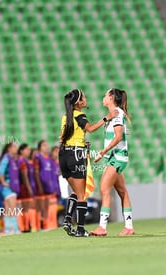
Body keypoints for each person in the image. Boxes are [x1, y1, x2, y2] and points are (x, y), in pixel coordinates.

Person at [59, 89, 117, 237]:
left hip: (63, 155)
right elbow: (90, 129)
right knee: (82, 195)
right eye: (83, 97)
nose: (85, 99)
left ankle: (66, 220)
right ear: (78, 103)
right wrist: (106, 118)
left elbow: (63, 137)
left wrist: (81, 143)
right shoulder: (79, 116)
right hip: (76, 155)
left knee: (75, 192)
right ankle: (80, 229)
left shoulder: (65, 117)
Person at [91, 88, 134, 236]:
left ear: (110, 97)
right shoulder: (115, 114)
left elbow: (118, 137)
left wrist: (103, 152)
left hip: (117, 157)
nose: (103, 97)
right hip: (117, 157)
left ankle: (102, 227)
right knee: (122, 192)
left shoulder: (116, 113)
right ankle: (129, 226)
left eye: (105, 95)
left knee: (104, 189)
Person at [0, 142, 20, 234]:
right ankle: (15, 229)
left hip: (13, 187)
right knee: (12, 208)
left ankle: (7, 229)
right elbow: (1, 170)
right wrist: (3, 182)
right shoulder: (6, 158)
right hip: (8, 187)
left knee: (8, 209)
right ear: (9, 149)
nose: (16, 148)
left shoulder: (12, 159)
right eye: (14, 147)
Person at [33, 140, 54, 229]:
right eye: (44, 145)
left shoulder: (49, 158)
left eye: (47, 145)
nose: (47, 147)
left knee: (46, 207)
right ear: (40, 148)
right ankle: (37, 226)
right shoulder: (37, 157)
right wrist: (40, 185)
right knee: (40, 208)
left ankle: (45, 226)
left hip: (48, 185)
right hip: (40, 185)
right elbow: (36, 172)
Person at [17, 144, 35, 232]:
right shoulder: (22, 161)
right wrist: (29, 188)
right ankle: (25, 227)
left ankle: (26, 226)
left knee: (25, 208)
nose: (29, 151)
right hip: (24, 187)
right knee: (25, 208)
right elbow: (24, 176)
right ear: (21, 151)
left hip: (25, 186)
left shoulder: (25, 160)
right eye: (27, 149)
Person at [48, 146, 61, 229]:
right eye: (56, 151)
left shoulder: (57, 163)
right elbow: (49, 177)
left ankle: (53, 225)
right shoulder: (49, 162)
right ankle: (50, 225)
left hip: (57, 188)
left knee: (54, 208)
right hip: (50, 189)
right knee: (50, 208)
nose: (57, 153)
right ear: (52, 152)